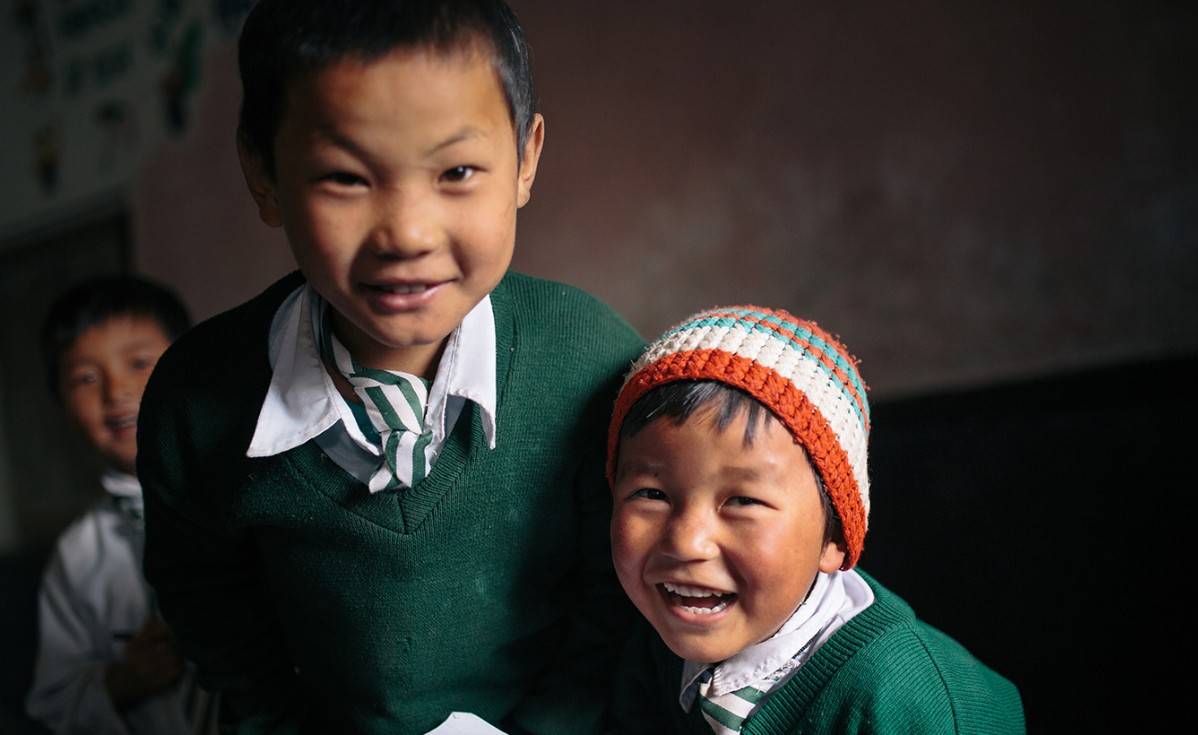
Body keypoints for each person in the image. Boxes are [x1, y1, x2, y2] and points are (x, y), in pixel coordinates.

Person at [135, 1, 643, 732]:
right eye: (344, 178)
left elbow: (620, 604)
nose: (406, 233)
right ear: (264, 172)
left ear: (526, 160)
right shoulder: (196, 405)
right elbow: (217, 624)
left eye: (458, 171)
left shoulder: (592, 362)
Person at [606, 306, 1025, 734]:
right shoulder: (661, 630)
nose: (686, 543)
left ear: (836, 539)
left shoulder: (909, 701)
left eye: (744, 501)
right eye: (651, 494)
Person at [27, 275, 216, 735]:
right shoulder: (76, 557)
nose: (116, 392)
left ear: (188, 362)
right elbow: (53, 706)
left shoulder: (255, 492)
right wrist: (120, 682)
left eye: (138, 362)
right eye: (86, 377)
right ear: (62, 404)